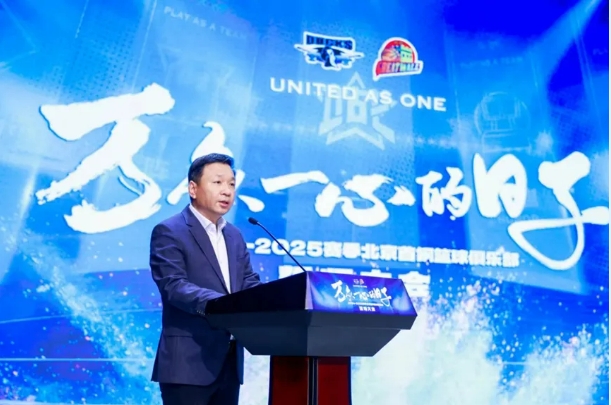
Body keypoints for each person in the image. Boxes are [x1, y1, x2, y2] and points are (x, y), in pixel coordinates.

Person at [149, 153, 261, 405]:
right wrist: (224, 305)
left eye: (231, 184)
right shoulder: (170, 231)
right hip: (187, 364)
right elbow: (173, 286)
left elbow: (249, 283)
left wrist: (281, 298)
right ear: (193, 188)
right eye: (217, 182)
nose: (227, 191)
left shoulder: (234, 235)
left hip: (229, 364)